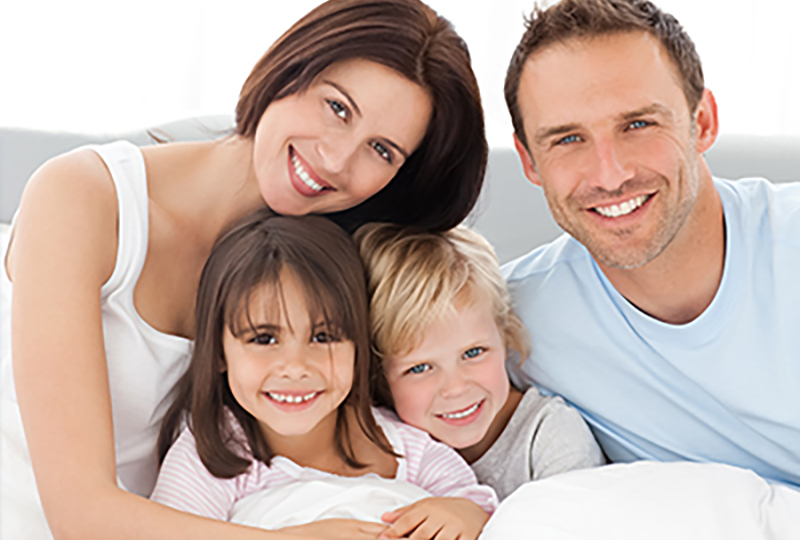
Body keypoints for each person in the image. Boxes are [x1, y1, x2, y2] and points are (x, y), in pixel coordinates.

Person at [0, 0, 488, 537]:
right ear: (289, 66)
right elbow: (80, 515)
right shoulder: (83, 198)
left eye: (381, 149)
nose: (336, 159)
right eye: (337, 108)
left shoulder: (325, 269)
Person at [501, 0, 800, 488]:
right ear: (529, 161)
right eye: (567, 139)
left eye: (637, 124)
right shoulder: (513, 324)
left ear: (701, 122)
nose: (610, 174)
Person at [150, 210, 497, 538]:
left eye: (323, 336)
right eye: (264, 338)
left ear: (358, 345)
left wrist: (465, 514)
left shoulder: (405, 447)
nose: (296, 366)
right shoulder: (214, 454)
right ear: (219, 352)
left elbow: (480, 508)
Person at [356, 223, 604, 501]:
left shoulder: (551, 436)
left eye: (473, 353)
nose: (456, 388)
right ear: (378, 377)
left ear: (506, 335)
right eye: (419, 368)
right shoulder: (389, 448)